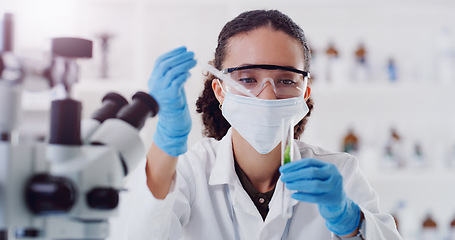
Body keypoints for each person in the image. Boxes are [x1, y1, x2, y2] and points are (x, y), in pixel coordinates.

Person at [127, 9, 402, 239]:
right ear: (220, 90)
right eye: (247, 79)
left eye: (286, 80)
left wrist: (350, 222)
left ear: (304, 92)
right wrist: (167, 141)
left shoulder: (340, 173)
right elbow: (138, 232)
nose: (268, 95)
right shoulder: (190, 172)